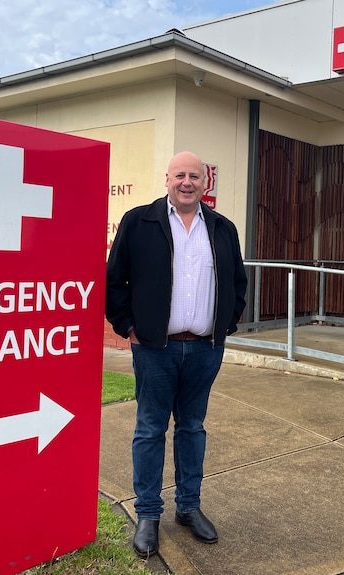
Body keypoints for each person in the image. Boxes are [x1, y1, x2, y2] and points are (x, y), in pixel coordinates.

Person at [105, 151, 248, 558]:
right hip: (154, 349)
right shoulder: (140, 221)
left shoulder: (221, 227)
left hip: (204, 349)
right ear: (167, 179)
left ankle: (188, 507)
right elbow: (114, 281)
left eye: (195, 176)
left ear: (206, 183)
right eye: (180, 175)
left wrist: (225, 324)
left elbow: (238, 281)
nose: (188, 182)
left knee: (192, 428)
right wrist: (129, 328)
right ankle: (148, 514)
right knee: (150, 429)